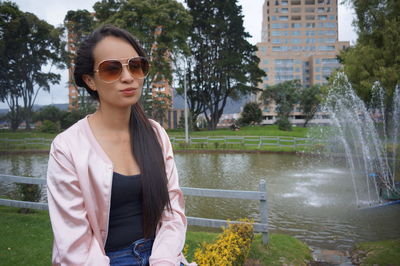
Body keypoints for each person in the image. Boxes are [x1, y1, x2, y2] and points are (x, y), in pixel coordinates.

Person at [47, 25, 189, 266]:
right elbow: (75, 245)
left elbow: (172, 212)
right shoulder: (67, 147)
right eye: (111, 69)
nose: (128, 77)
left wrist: (163, 260)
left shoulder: (155, 134)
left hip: (161, 255)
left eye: (135, 65)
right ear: (90, 80)